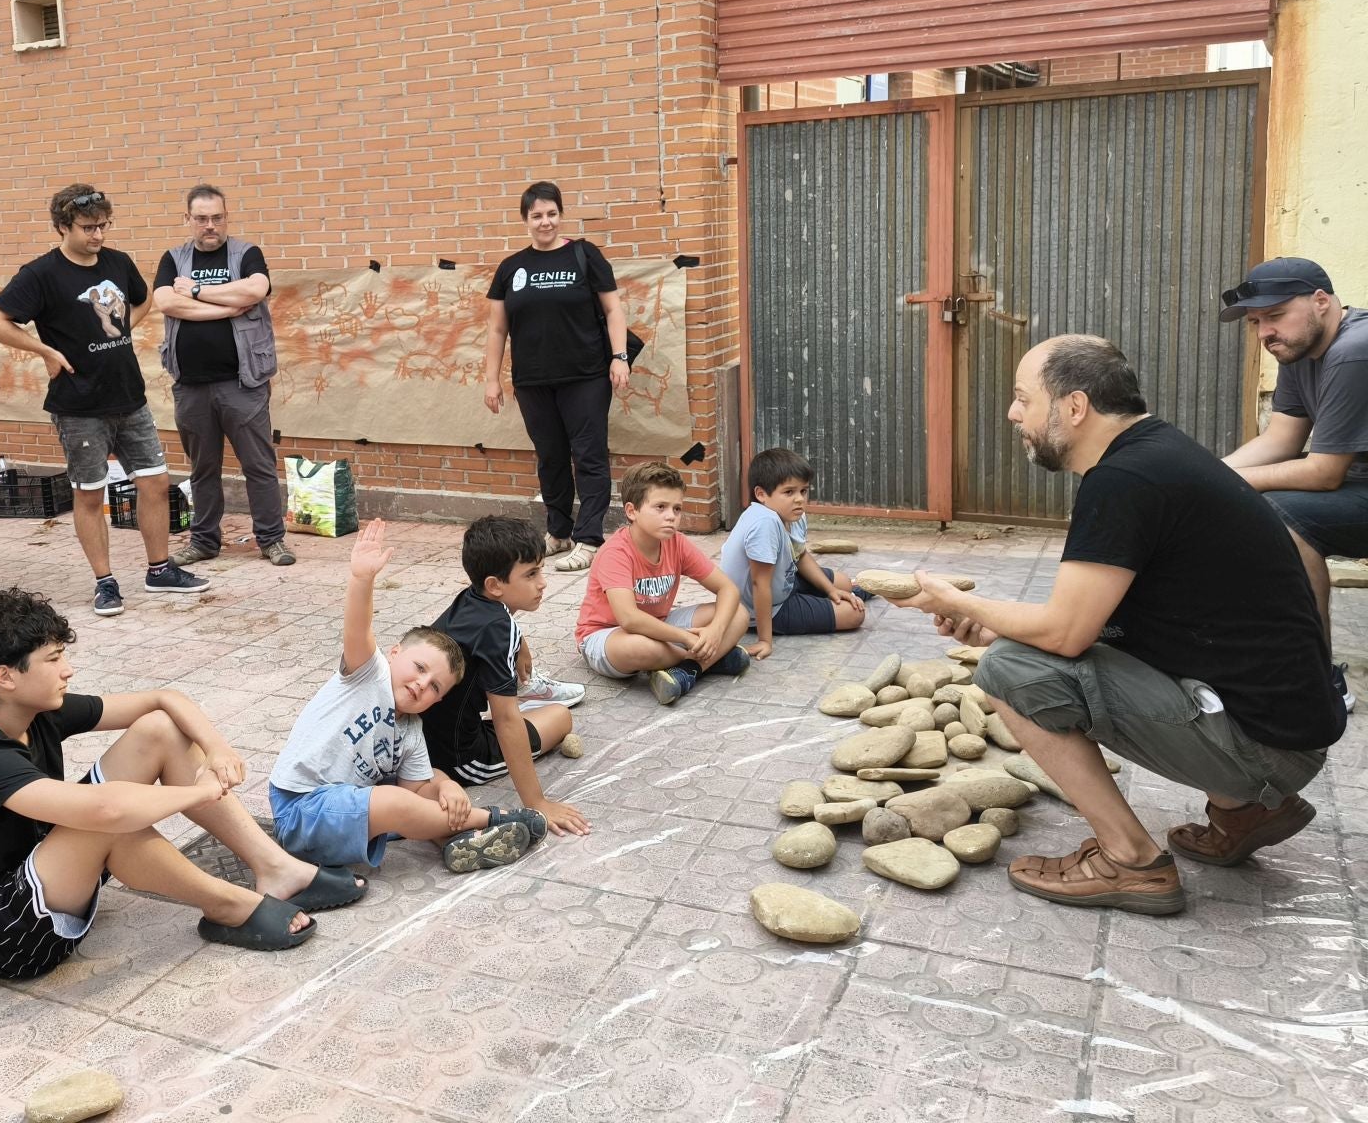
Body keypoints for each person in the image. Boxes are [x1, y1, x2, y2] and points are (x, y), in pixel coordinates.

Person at [887, 335, 1344, 915]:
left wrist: (964, 603)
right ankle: (1245, 811)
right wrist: (1006, 624)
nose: (1012, 414)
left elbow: (1065, 635)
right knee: (1024, 651)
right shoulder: (1156, 453)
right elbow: (1107, 623)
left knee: (1009, 672)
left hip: (1268, 747)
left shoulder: (1123, 482)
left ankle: (1130, 861)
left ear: (1074, 407)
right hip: (1287, 726)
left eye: (1024, 399)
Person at [0, 588, 367, 979]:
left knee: (158, 731)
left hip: (41, 875)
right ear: (6, 677)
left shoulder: (35, 712)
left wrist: (216, 748)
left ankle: (277, 869)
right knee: (105, 814)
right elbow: (106, 811)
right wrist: (198, 791)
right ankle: (230, 905)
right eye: (53, 660)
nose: (67, 670)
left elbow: (163, 700)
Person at [0, 186, 208, 619]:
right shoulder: (41, 273)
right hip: (78, 405)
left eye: (103, 225)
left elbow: (143, 301)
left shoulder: (117, 262)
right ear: (63, 226)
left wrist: (120, 330)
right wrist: (44, 351)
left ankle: (159, 570)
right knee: (89, 494)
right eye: (87, 228)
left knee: (155, 482)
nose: (97, 235)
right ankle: (105, 582)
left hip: (129, 396)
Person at [268, 521, 547, 874]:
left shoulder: (412, 733)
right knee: (392, 799)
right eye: (418, 668)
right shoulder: (367, 676)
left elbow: (419, 787)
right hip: (299, 809)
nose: (421, 684)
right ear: (393, 653)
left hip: (344, 816)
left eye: (435, 688)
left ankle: (456, 839)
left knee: (417, 791)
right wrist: (362, 578)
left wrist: (446, 787)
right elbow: (357, 626)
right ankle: (489, 820)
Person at [1218, 257, 1366, 704]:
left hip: (1352, 484)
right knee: (1242, 503)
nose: (1265, 333)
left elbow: (1323, 473)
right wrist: (1199, 478)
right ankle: (1262, 653)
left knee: (1282, 519)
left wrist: (1217, 487)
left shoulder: (1354, 349)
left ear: (1321, 301)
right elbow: (1281, 439)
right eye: (1256, 321)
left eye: (1276, 316)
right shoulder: (1300, 350)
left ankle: (1316, 681)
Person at [483, 181, 630, 574]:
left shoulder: (584, 255)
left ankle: (589, 538)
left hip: (586, 376)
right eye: (536, 216)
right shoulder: (511, 268)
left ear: (560, 215)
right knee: (550, 457)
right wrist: (491, 378)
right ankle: (559, 532)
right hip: (532, 380)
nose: (544, 222)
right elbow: (497, 329)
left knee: (588, 454)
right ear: (525, 220)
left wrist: (620, 357)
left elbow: (614, 310)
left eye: (551, 213)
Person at [152, 185, 293, 568]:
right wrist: (226, 306)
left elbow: (257, 288)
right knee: (203, 469)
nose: (210, 225)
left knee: (259, 465)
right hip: (191, 386)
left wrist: (196, 291)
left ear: (226, 217)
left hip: (242, 383)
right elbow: (165, 301)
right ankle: (204, 541)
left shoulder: (246, 253)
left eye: (217, 217)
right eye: (201, 218)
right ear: (188, 220)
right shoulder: (174, 258)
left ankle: (271, 539)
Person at [420, 517, 589, 836]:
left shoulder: (470, 599)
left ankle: (511, 691)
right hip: (461, 757)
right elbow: (506, 720)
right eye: (531, 574)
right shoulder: (499, 629)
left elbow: (497, 628)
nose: (543, 583)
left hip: (426, 739)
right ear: (495, 585)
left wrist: (520, 645)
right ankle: (513, 695)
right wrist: (537, 801)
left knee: (523, 710)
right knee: (560, 717)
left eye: (540, 570)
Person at [576, 461, 751, 705]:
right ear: (631, 511)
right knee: (641, 648)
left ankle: (687, 671)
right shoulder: (615, 552)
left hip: (659, 625)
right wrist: (691, 640)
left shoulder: (676, 543)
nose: (671, 516)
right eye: (660, 507)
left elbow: (728, 589)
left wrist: (715, 632)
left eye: (677, 509)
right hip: (606, 636)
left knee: (739, 614)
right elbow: (629, 619)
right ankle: (710, 660)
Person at [717, 447, 869, 658]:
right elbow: (760, 584)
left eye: (803, 491)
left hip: (784, 583)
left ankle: (854, 592)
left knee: (842, 583)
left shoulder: (793, 513)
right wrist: (764, 640)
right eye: (789, 492)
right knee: (854, 615)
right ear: (761, 494)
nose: (799, 499)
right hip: (768, 607)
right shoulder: (764, 523)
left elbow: (801, 555)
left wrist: (830, 590)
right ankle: (857, 595)